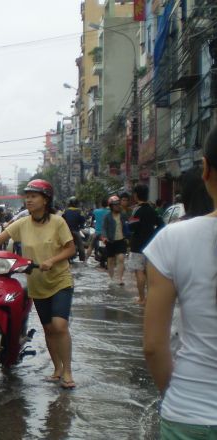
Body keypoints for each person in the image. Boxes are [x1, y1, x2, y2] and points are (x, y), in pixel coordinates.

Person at [0, 179, 77, 389]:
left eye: (34, 196)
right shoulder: (22, 223)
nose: (29, 200)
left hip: (60, 281)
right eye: (27, 196)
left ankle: (67, 371)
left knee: (60, 326)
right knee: (49, 329)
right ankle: (57, 369)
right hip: (37, 284)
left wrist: (52, 260)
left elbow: (70, 249)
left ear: (46, 199)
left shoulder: (58, 222)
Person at [142, 125, 217, 438]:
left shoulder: (173, 239)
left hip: (190, 412)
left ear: (205, 170)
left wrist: (172, 394)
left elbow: (154, 347)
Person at [125, 184, 164, 305]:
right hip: (151, 245)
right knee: (148, 272)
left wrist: (128, 224)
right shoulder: (153, 209)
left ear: (136, 195)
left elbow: (132, 227)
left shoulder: (137, 210)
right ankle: (150, 298)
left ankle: (142, 299)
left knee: (139, 271)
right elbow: (162, 225)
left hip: (137, 245)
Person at [102, 195, 128, 286]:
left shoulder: (123, 215)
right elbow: (104, 228)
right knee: (110, 260)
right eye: (115, 205)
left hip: (121, 240)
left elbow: (128, 225)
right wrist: (104, 237)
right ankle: (111, 278)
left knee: (121, 258)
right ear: (111, 206)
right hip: (110, 241)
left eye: (118, 204)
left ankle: (120, 279)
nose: (117, 206)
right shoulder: (107, 217)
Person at [62, 197, 86, 262]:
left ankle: (66, 258)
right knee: (80, 245)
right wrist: (81, 226)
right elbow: (83, 220)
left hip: (67, 231)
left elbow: (62, 219)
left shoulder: (65, 211)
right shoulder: (80, 211)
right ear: (76, 203)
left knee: (65, 245)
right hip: (76, 230)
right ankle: (82, 259)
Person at [85, 198, 109, 262]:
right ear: (108, 204)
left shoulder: (96, 211)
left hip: (97, 233)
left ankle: (85, 260)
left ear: (101, 204)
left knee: (91, 246)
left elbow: (92, 219)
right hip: (106, 234)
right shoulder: (110, 211)